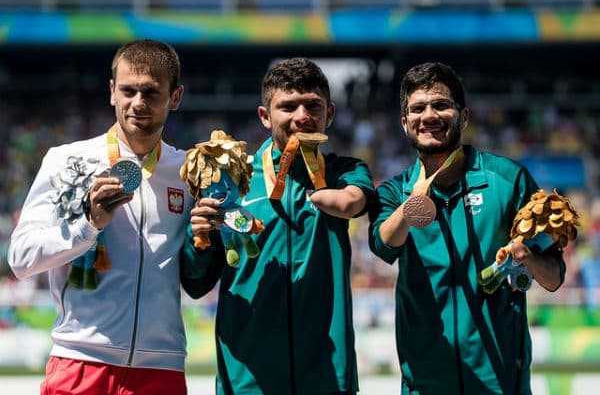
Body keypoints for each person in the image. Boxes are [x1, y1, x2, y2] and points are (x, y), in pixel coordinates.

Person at [8, 39, 221, 395]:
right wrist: (87, 225)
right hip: (80, 361)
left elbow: (195, 275)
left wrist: (207, 240)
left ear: (176, 97)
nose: (138, 102)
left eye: (151, 92)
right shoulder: (67, 161)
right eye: (128, 90)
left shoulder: (191, 172)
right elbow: (20, 258)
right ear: (112, 92)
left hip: (161, 366)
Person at [368, 62, 565, 395]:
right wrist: (415, 200)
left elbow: (554, 276)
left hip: (499, 381)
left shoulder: (508, 180)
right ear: (405, 124)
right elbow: (383, 245)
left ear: (464, 117)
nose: (429, 115)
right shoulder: (392, 191)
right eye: (417, 109)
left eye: (441, 105)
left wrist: (526, 255)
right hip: (425, 382)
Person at [191, 57, 375, 394]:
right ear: (265, 116)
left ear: (329, 114)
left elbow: (355, 203)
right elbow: (196, 281)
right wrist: (199, 237)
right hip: (248, 378)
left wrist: (321, 188)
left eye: (313, 106)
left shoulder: (347, 172)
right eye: (288, 106)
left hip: (326, 377)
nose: (302, 115)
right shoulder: (232, 179)